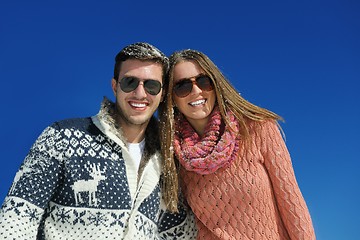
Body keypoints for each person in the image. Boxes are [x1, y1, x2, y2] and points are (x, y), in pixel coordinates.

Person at [0, 42, 197, 239]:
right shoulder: (62, 137)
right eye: (130, 82)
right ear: (115, 87)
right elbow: (16, 219)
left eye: (151, 85)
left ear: (162, 94)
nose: (140, 93)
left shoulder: (167, 163)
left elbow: (182, 234)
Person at [159, 49, 316, 239]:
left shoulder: (258, 128)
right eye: (182, 86)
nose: (196, 91)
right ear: (171, 98)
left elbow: (292, 203)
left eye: (203, 81)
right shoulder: (174, 158)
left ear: (215, 84)